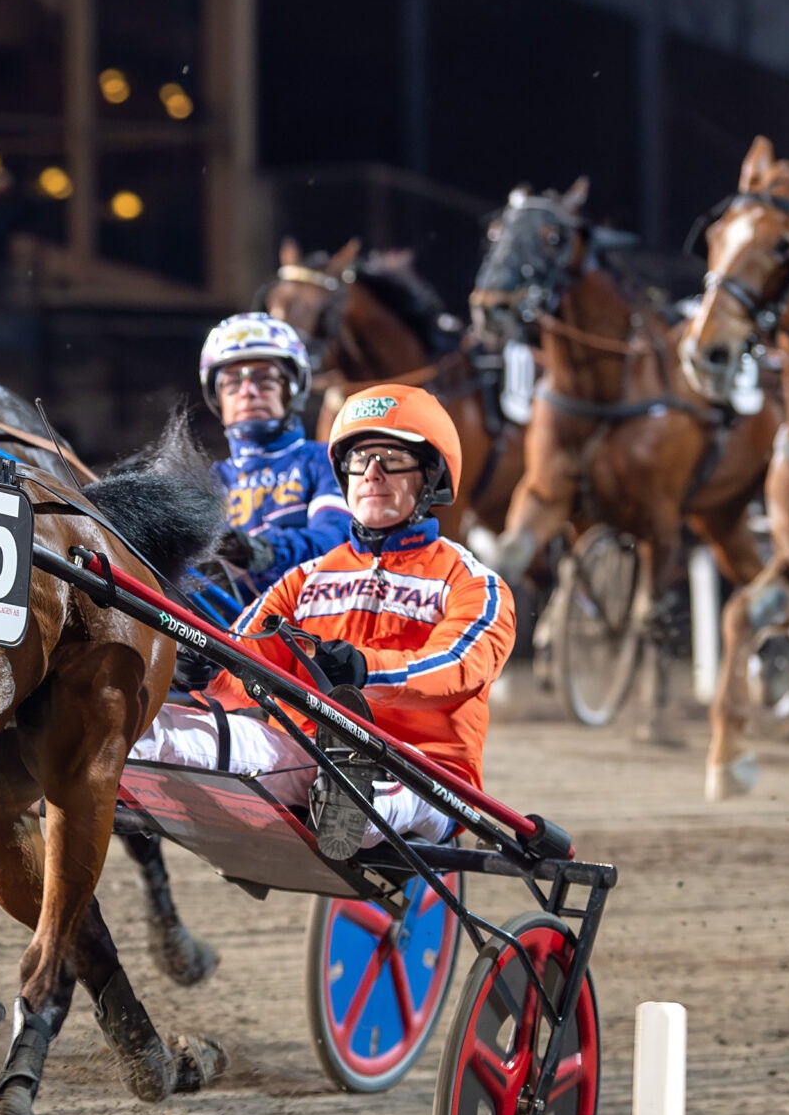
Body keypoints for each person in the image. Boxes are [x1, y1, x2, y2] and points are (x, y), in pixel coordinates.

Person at [133, 383, 515, 856]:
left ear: (431, 476)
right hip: (306, 752)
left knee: (380, 782)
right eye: (359, 461)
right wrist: (205, 669)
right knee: (160, 731)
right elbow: (245, 648)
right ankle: (89, 761)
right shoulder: (305, 579)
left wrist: (364, 669)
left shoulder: (473, 583)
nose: (372, 474)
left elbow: (459, 666)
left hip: (428, 773)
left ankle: (352, 794)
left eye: (391, 459)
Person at [198, 313, 348, 595]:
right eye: (232, 384)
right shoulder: (210, 481)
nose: (248, 392)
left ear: (293, 390)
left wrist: (265, 551)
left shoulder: (326, 461)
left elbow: (335, 539)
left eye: (265, 380)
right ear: (217, 399)